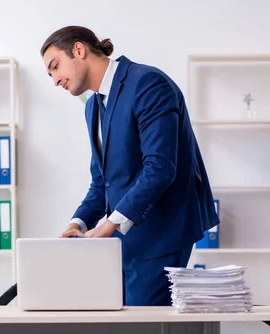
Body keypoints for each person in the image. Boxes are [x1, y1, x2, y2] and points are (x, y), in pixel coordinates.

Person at [40, 26, 219, 306]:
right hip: (124, 241)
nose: (54, 80)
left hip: (161, 235)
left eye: (55, 67)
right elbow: (102, 182)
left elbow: (160, 167)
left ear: (78, 50)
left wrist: (110, 225)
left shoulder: (148, 83)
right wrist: (77, 223)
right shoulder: (93, 107)